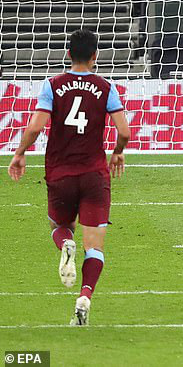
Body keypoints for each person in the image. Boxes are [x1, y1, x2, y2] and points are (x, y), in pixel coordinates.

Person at [7, 29, 131, 325]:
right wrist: (117, 151)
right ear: (95, 56)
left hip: (60, 174)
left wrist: (20, 153)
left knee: (60, 226)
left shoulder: (53, 85)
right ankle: (85, 296)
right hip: (94, 175)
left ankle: (65, 243)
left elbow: (36, 127)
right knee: (95, 246)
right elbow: (124, 131)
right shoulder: (105, 87)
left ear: (68, 54)